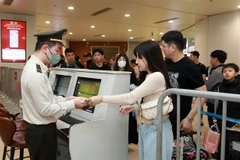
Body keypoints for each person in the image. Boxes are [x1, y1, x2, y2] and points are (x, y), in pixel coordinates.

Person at [87, 40, 173, 160]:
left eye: (139, 57)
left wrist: (102, 98)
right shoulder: (150, 75)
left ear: (150, 57)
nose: (136, 61)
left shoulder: (156, 76)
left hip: (156, 128)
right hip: (149, 126)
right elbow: (153, 101)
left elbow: (130, 97)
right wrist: (134, 107)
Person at [21, 29, 88, 160]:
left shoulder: (35, 67)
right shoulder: (36, 74)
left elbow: (47, 97)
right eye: (57, 50)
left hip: (40, 131)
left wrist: (65, 99)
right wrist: (72, 104)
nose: (59, 54)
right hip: (42, 133)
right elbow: (45, 109)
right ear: (45, 48)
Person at [161, 30, 207, 139]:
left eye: (164, 46)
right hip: (163, 115)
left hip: (180, 118)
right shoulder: (164, 64)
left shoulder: (190, 67)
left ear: (173, 47)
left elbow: (203, 94)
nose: (162, 49)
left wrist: (189, 118)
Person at [216, 63, 240, 160]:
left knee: (235, 141)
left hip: (236, 119)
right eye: (225, 71)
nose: (227, 73)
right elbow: (219, 102)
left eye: (230, 71)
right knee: (223, 140)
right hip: (223, 117)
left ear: (236, 73)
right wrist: (216, 116)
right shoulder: (221, 85)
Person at [114, 53, 139, 144]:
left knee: (129, 120)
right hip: (117, 99)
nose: (122, 62)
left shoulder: (130, 71)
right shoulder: (114, 72)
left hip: (128, 99)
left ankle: (129, 139)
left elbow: (134, 85)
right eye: (120, 59)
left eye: (124, 60)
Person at [206, 50, 227, 127]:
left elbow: (208, 86)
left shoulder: (217, 71)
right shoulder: (226, 69)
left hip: (214, 102)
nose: (210, 60)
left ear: (215, 59)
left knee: (213, 125)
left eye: (211, 58)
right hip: (223, 102)